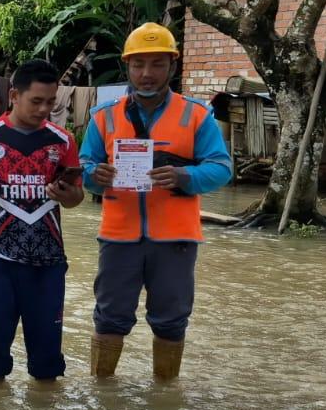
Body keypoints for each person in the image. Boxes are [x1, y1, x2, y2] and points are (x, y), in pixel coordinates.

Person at [80, 22, 232, 380]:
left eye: (157, 64)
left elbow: (222, 168)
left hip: (175, 239)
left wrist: (185, 177)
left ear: (172, 66)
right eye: (138, 64)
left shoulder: (195, 115)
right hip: (119, 237)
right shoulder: (104, 116)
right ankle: (103, 396)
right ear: (127, 67)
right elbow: (84, 166)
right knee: (109, 316)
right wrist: (93, 176)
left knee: (171, 320)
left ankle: (165, 399)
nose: (146, 74)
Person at [0, 59, 85, 381]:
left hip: (48, 261)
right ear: (14, 95)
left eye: (51, 102)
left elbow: (77, 199)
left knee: (48, 362)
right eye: (36, 101)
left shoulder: (62, 141)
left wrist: (66, 195)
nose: (44, 109)